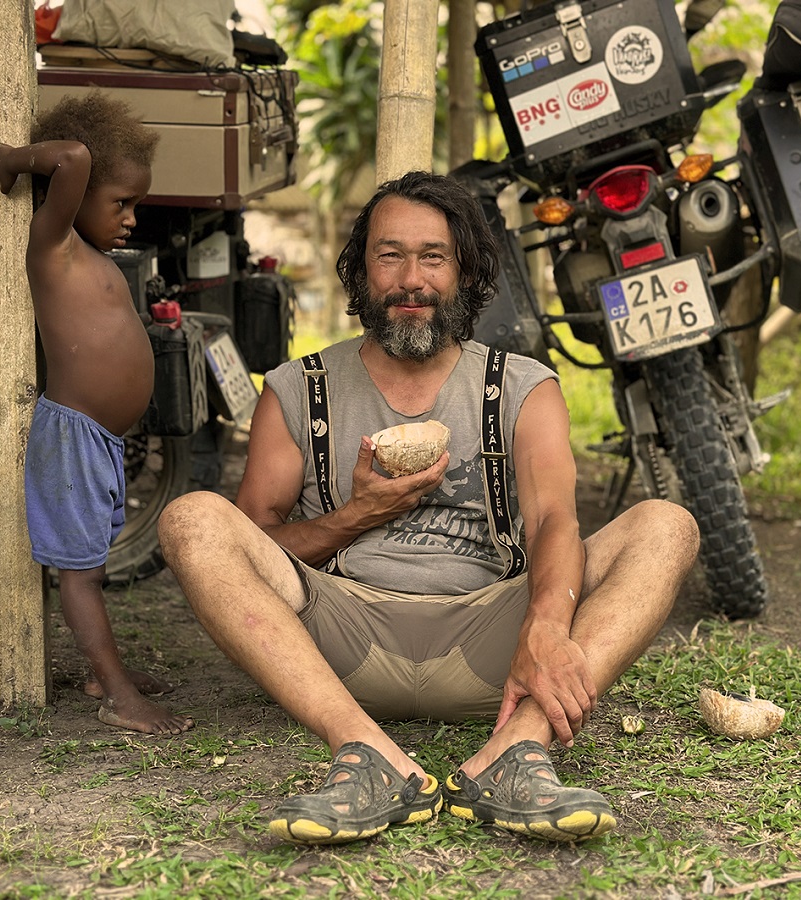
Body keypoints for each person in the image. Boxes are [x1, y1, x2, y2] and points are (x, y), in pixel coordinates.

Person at [158, 171, 699, 843]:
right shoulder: (300, 389)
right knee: (190, 519)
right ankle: (366, 752)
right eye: (389, 256)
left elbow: (555, 519)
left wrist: (548, 625)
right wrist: (356, 515)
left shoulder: (523, 388)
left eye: (432, 257)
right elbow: (253, 544)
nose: (410, 279)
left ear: (465, 272)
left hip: (496, 649)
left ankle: (515, 752)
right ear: (360, 270)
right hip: (339, 648)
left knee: (667, 526)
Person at [0, 92, 191, 736]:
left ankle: (102, 672)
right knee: (82, 573)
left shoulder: (93, 258)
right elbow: (70, 155)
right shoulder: (55, 243)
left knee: (91, 563)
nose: (130, 218)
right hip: (70, 436)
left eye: (136, 205)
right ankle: (118, 694)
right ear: (76, 195)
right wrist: (14, 160)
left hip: (96, 439)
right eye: (120, 202)